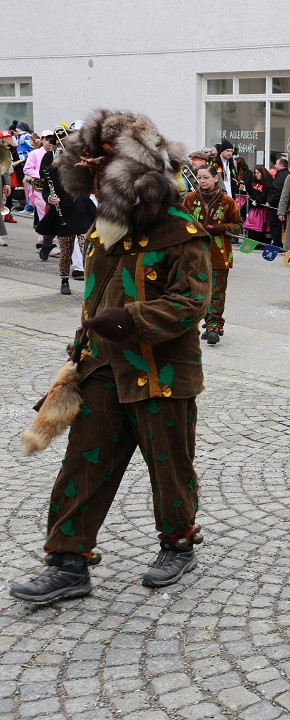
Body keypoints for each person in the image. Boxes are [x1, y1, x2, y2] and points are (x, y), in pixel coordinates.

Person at [9, 109, 213, 603]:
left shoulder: (182, 231)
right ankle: (67, 562)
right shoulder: (104, 230)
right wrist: (78, 357)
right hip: (101, 369)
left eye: (105, 179)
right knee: (83, 462)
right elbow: (96, 299)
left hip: (159, 373)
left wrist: (133, 320)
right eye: (92, 179)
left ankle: (178, 543)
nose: (98, 190)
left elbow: (192, 301)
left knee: (169, 465)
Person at [183, 165, 241, 345]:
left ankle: (214, 326)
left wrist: (221, 228)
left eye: (206, 177)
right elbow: (179, 222)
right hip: (194, 253)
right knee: (195, 291)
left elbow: (239, 226)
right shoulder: (190, 199)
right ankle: (192, 325)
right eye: (199, 178)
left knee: (216, 292)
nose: (202, 181)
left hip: (220, 254)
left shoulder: (226, 201)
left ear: (216, 178)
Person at [34, 137, 97, 295]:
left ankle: (91, 281)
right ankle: (64, 281)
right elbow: (47, 191)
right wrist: (50, 199)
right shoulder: (52, 171)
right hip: (64, 212)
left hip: (82, 210)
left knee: (86, 247)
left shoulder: (80, 167)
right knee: (66, 249)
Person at [243, 165, 273, 244]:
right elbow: (250, 189)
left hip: (261, 209)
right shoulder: (254, 181)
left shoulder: (267, 183)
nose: (256, 175)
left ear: (262, 173)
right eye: (255, 173)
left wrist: (257, 201)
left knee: (260, 227)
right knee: (252, 226)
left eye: (257, 173)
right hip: (254, 208)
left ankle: (260, 242)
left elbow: (265, 193)